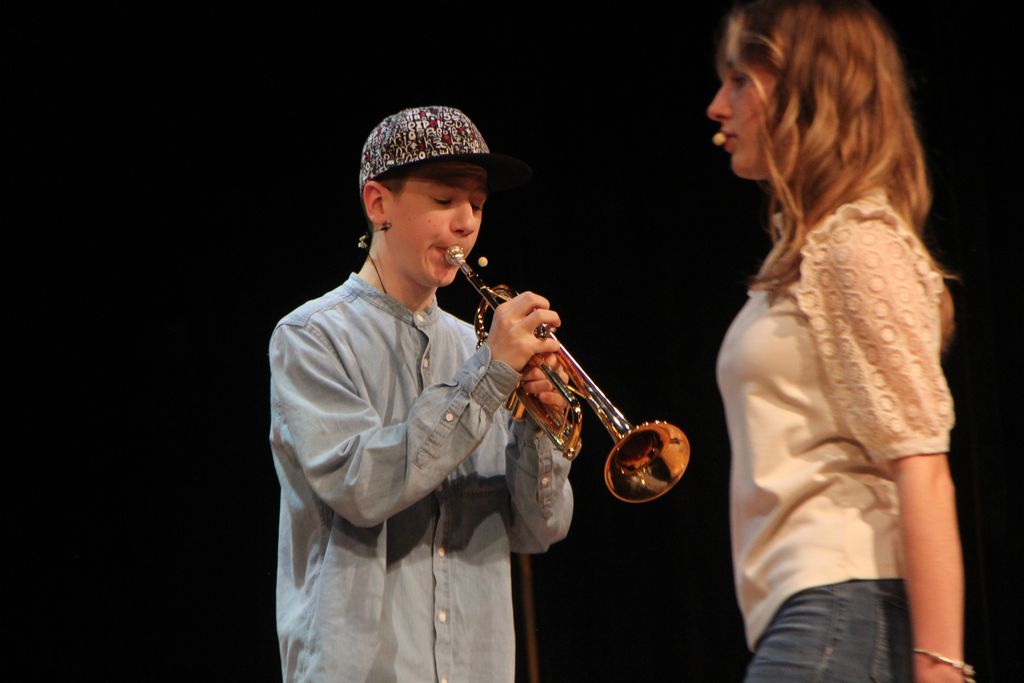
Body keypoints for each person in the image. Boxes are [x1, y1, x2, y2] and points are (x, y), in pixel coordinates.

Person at [707, 2, 971, 681]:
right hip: (816, 613)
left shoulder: (858, 246)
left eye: (740, 80)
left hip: (842, 607)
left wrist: (941, 666)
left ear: (805, 90)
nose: (718, 106)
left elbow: (923, 466)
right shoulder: (811, 250)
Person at [268, 105, 574, 683]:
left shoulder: (477, 350)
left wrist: (541, 426)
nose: (466, 223)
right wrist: (489, 377)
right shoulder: (310, 337)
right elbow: (363, 488)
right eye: (444, 200)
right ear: (378, 204)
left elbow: (539, 530)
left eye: (477, 205)